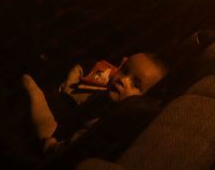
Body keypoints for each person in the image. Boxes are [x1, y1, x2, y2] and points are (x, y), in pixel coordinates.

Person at [21, 53, 167, 161]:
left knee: (34, 93)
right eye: (124, 70)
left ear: (145, 103)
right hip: (65, 127)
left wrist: (50, 145)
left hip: (54, 150)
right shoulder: (104, 99)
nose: (123, 80)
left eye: (136, 84)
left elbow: (69, 152)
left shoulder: (107, 126)